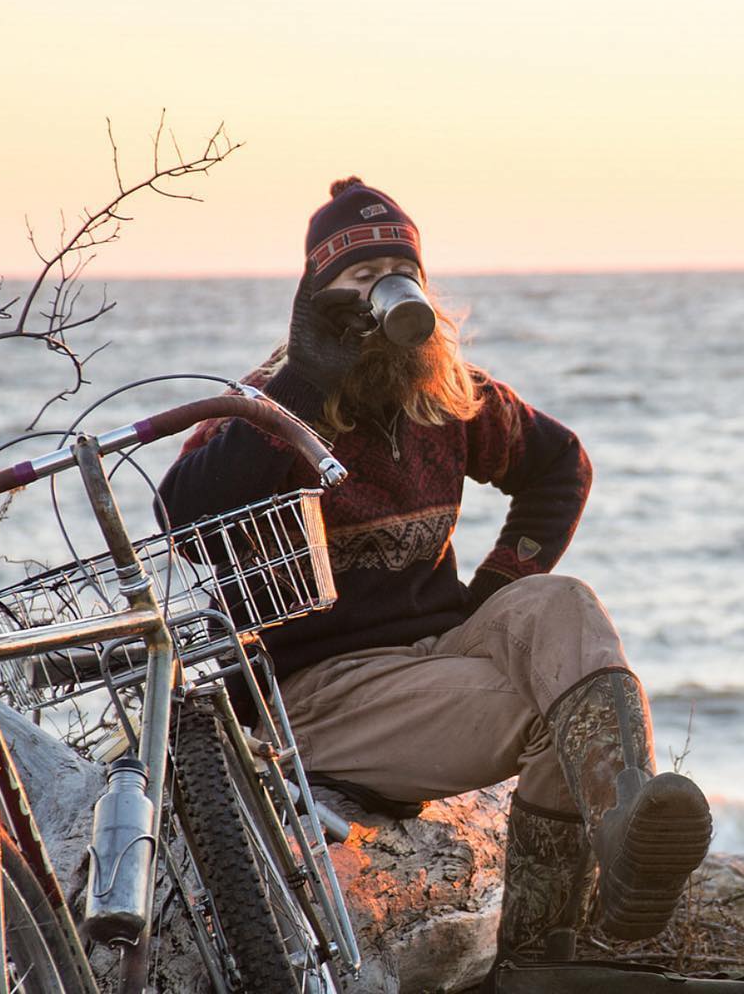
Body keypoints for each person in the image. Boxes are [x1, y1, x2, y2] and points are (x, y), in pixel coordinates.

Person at [156, 177, 713, 986]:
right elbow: (184, 516)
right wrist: (309, 382)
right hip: (318, 691)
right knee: (558, 723)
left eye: (396, 267)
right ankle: (540, 951)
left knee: (561, 602)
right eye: (357, 275)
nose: (382, 289)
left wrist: (493, 593)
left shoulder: (442, 391)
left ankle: (626, 835)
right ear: (315, 295)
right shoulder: (269, 400)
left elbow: (560, 464)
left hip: (433, 651)